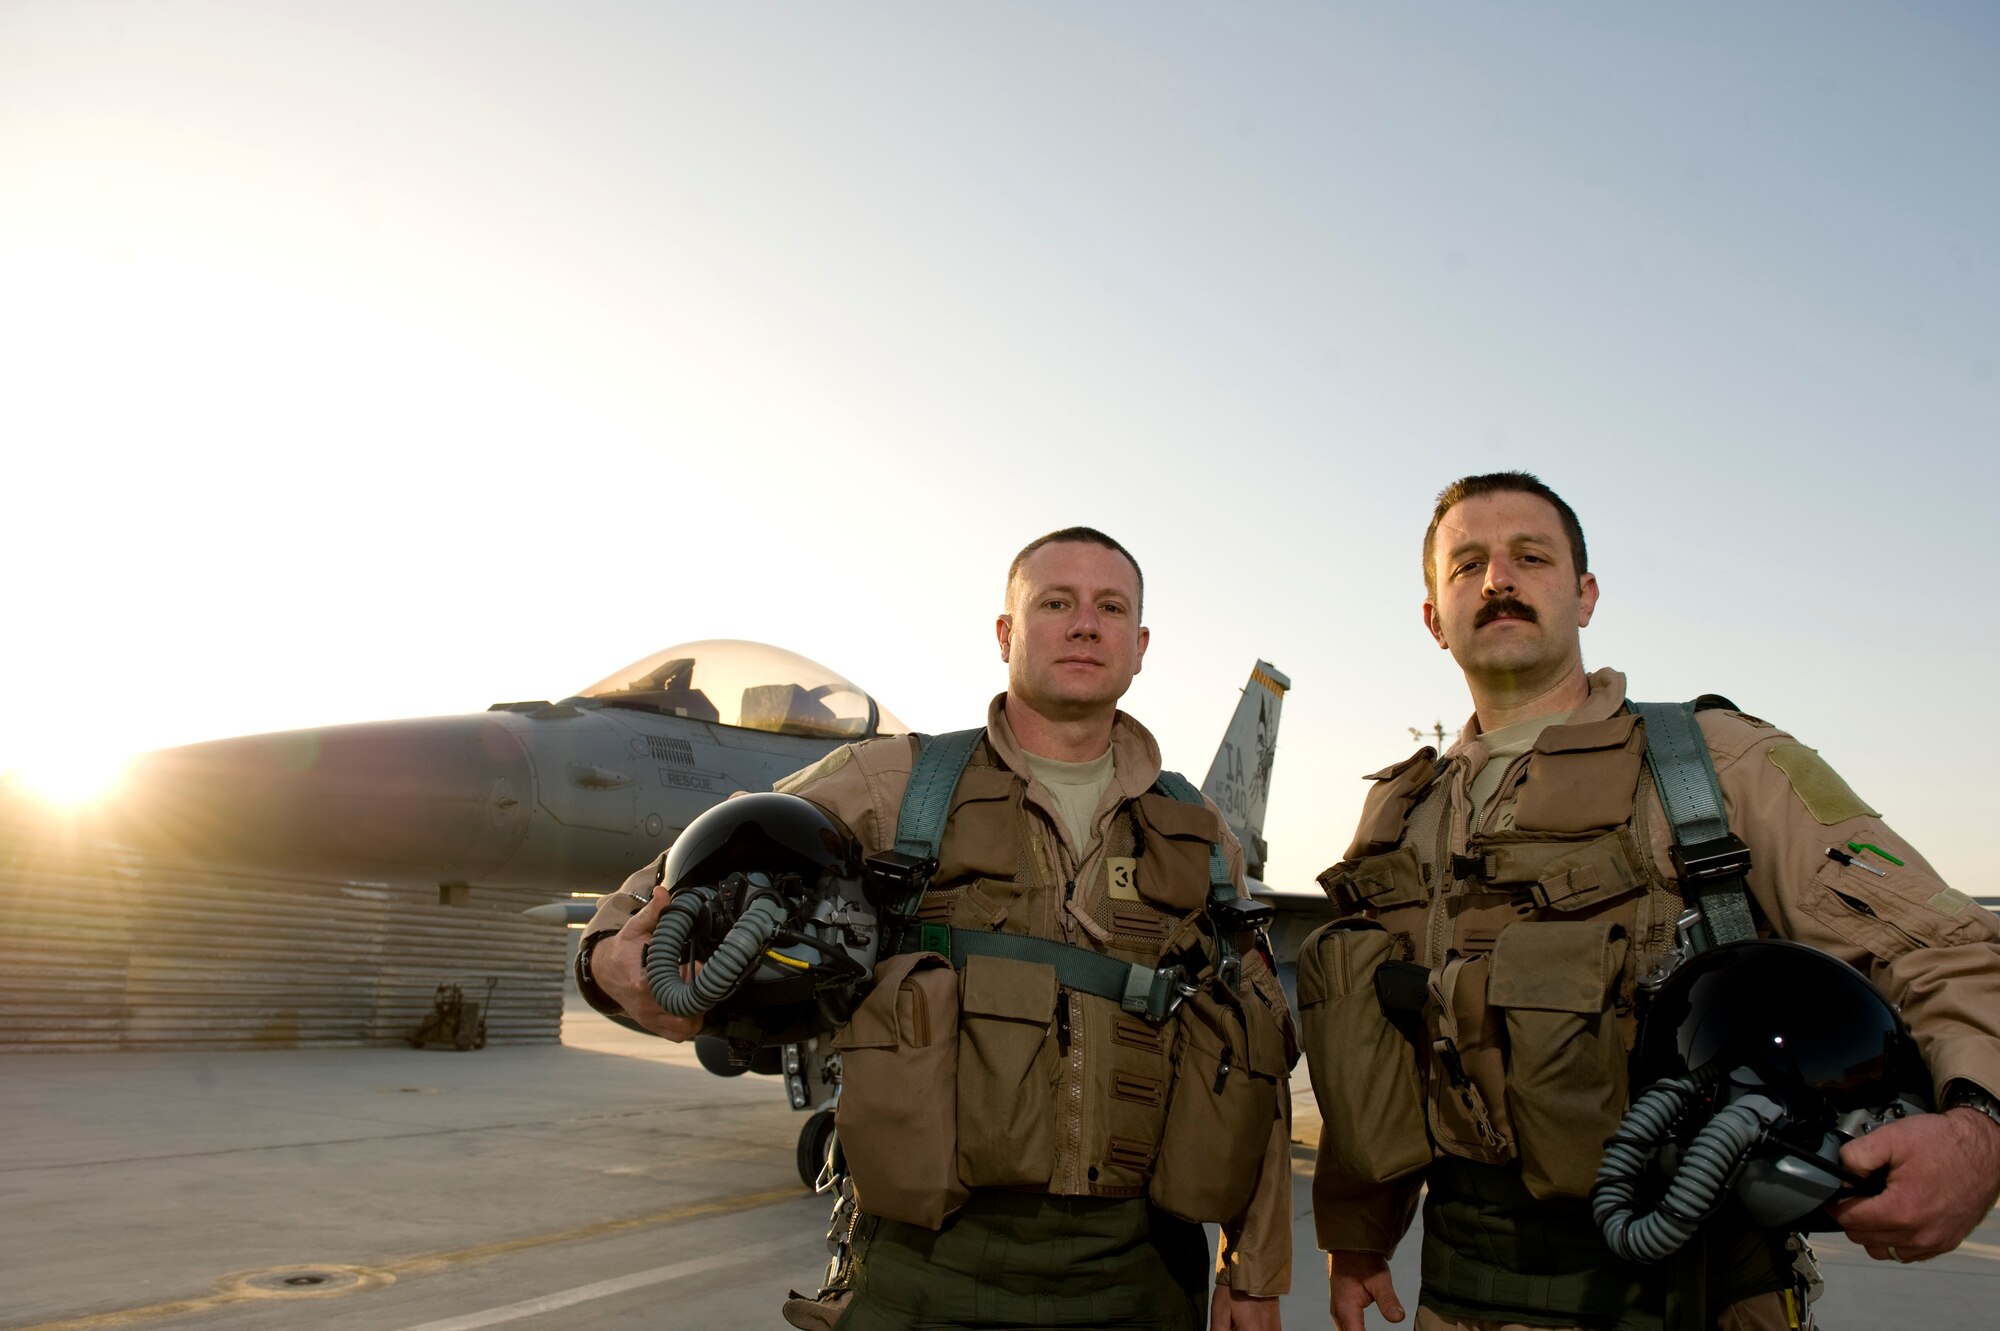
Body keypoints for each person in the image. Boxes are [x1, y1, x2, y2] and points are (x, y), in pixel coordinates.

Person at [1306, 472, 2000, 1331]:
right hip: (1461, 1295)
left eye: (1531, 556)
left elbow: (1946, 945)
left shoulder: (1713, 767)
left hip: (1689, 1293)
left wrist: (1979, 1129)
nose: (1498, 581)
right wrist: (1359, 1237)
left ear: (1585, 594)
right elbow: (1379, 1044)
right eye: (1468, 565)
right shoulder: (1399, 818)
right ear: (1432, 616)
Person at [579, 527, 1296, 1331]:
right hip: (928, 1274)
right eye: (1055, 602)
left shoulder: (1197, 830)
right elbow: (673, 878)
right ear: (1006, 633)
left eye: (1110, 607)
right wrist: (614, 956)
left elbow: (1254, 1046)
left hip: (1140, 1276)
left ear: (1140, 644)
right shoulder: (900, 784)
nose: (1084, 624)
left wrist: (1253, 1269)